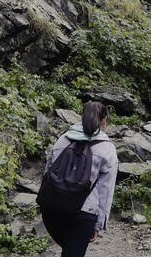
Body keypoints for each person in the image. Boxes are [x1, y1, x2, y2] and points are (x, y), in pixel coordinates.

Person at [40, 101, 118, 257]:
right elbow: (106, 190)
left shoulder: (63, 139)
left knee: (69, 249)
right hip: (83, 213)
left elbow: (48, 171)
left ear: (81, 117)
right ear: (104, 121)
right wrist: (98, 224)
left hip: (52, 209)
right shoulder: (107, 149)